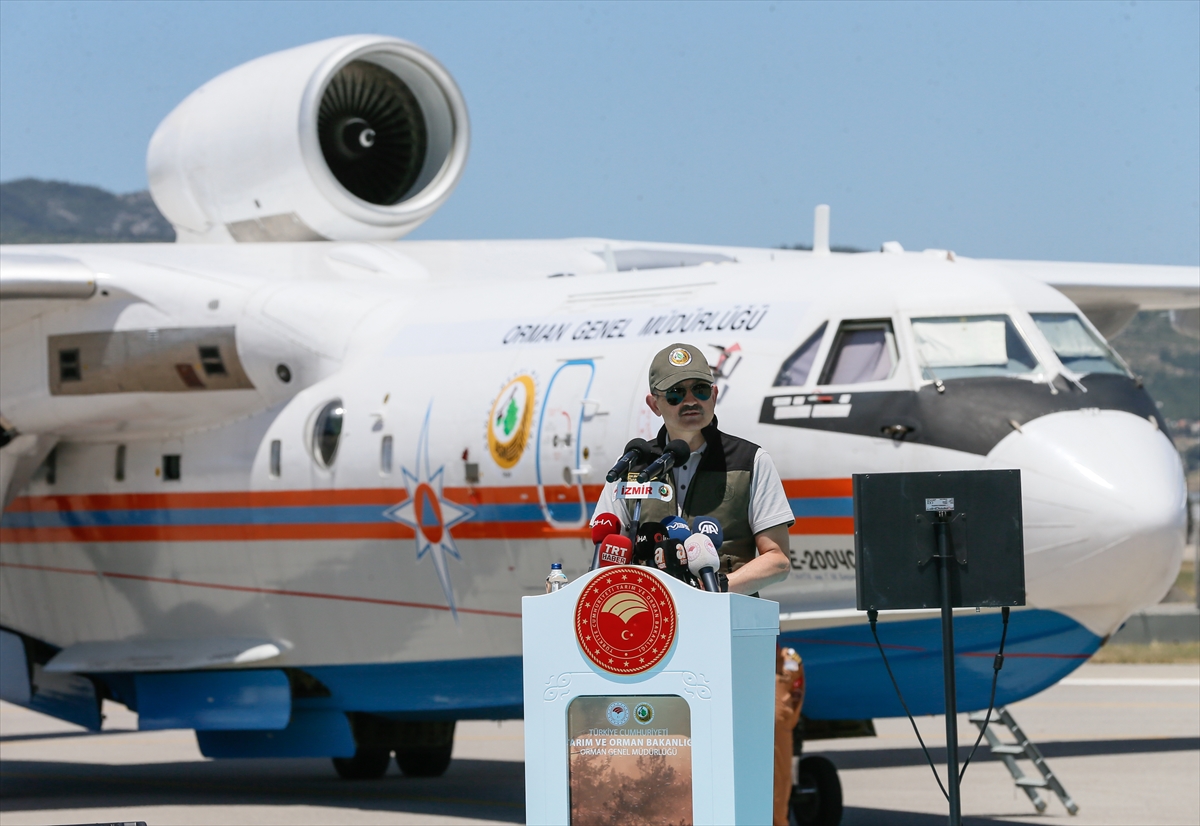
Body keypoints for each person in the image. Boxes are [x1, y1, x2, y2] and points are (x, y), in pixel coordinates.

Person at [591, 341, 793, 595]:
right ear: (654, 404)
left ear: (714, 395)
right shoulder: (632, 466)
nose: (690, 401)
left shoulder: (751, 461)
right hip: (650, 620)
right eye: (676, 393)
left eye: (700, 390)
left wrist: (714, 590)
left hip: (727, 619)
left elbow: (778, 560)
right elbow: (607, 550)